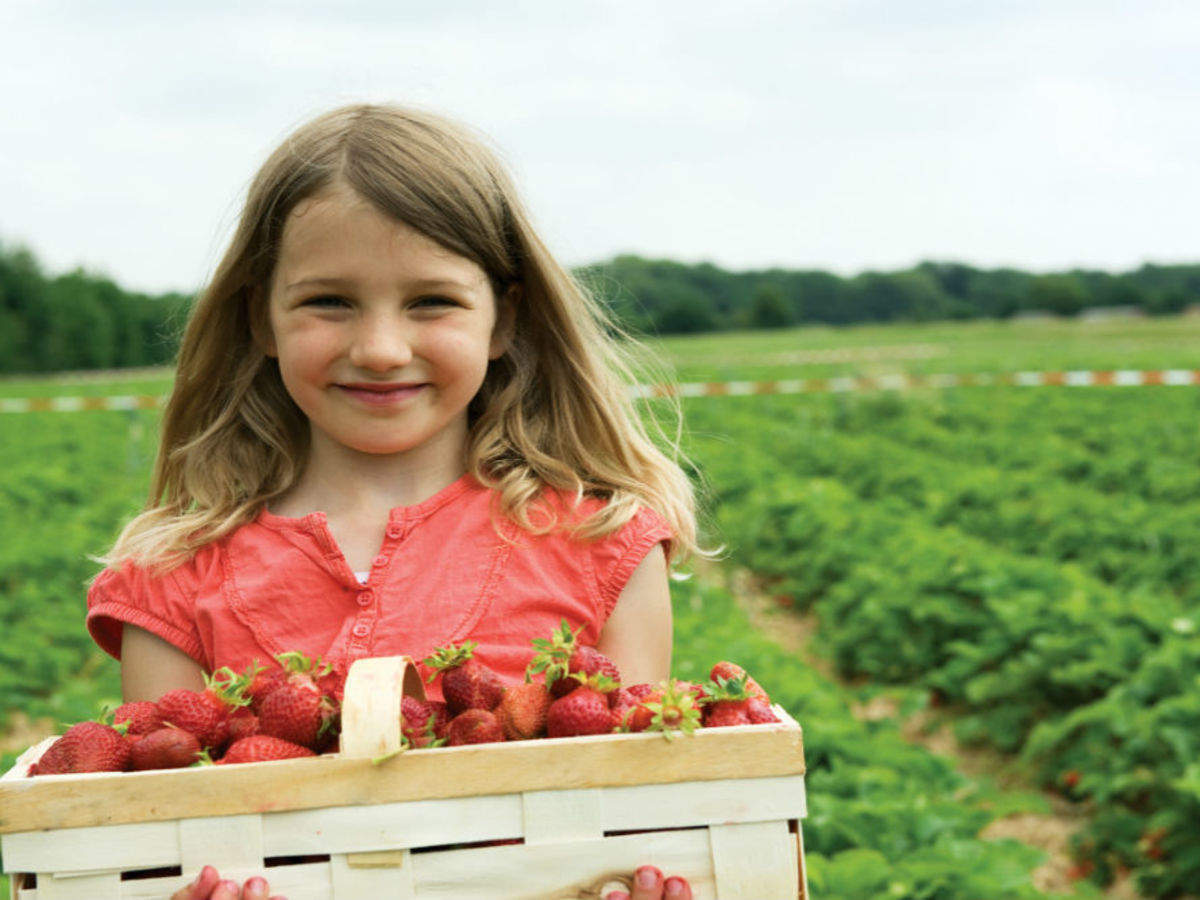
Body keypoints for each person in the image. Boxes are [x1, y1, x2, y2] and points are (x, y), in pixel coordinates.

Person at [84, 103, 714, 900]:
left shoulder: (601, 544)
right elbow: (165, 841)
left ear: (503, 319)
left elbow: (638, 822)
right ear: (261, 319)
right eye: (329, 302)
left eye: (431, 302)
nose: (381, 349)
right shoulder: (171, 578)